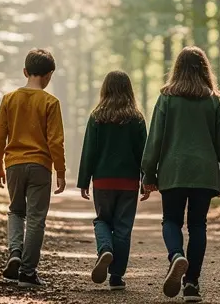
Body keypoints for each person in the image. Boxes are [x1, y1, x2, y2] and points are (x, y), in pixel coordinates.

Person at [142, 46, 220, 303]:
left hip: (173, 171)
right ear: (205, 69)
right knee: (197, 226)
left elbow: (155, 140)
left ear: (177, 68)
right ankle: (192, 284)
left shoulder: (167, 98)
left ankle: (176, 256)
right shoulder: (214, 101)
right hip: (204, 174)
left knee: (171, 221)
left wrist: (148, 175)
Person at [0, 48, 66, 289]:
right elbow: (55, 141)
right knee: (35, 218)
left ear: (25, 71)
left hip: (13, 164)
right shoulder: (51, 102)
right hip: (40, 166)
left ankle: (14, 252)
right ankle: (27, 271)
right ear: (49, 75)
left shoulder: (9, 99)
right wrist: (61, 171)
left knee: (15, 211)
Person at [77, 71, 149, 291]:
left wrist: (83, 180)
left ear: (105, 89)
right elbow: (144, 153)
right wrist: (147, 179)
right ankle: (116, 277)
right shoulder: (136, 118)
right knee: (123, 228)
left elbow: (89, 150)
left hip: (103, 181)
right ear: (129, 90)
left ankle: (105, 249)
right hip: (128, 182)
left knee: (102, 220)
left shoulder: (97, 116)